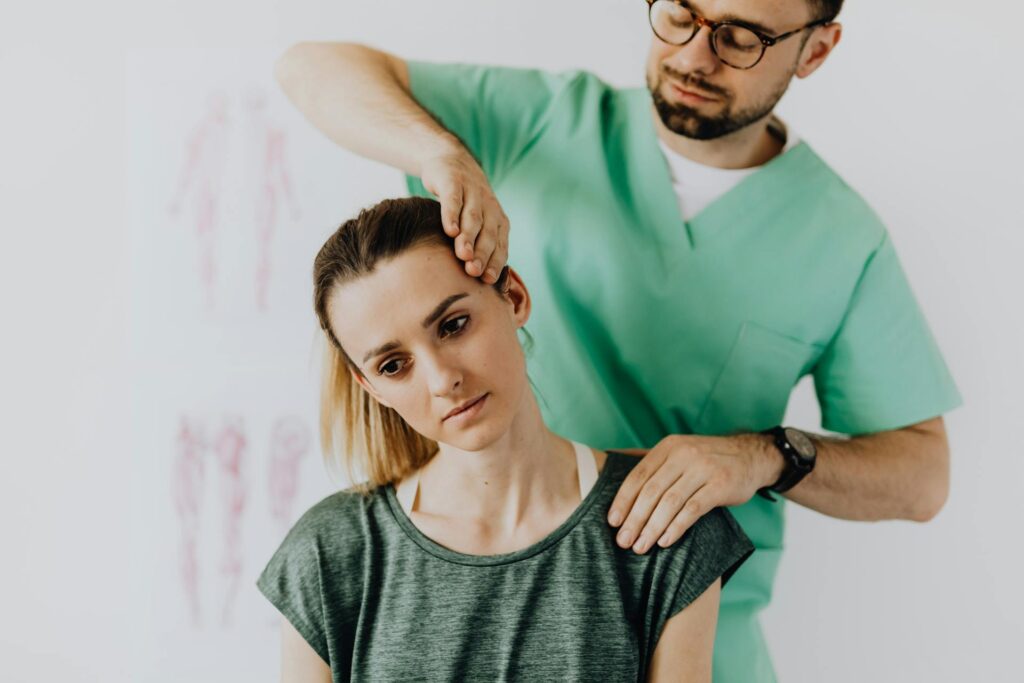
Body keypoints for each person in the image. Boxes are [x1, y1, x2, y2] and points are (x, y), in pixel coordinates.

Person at [273, 0, 961, 679]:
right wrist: (440, 153)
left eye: (741, 37)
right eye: (680, 14)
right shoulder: (540, 121)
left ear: (816, 48)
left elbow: (922, 478)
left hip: (695, 625)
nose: (694, 54)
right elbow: (309, 66)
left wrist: (762, 457)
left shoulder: (841, 238)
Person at [257, 196, 754, 682]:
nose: (440, 379)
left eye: (453, 326)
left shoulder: (665, 524)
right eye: (393, 365)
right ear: (371, 388)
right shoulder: (329, 554)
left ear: (513, 296)